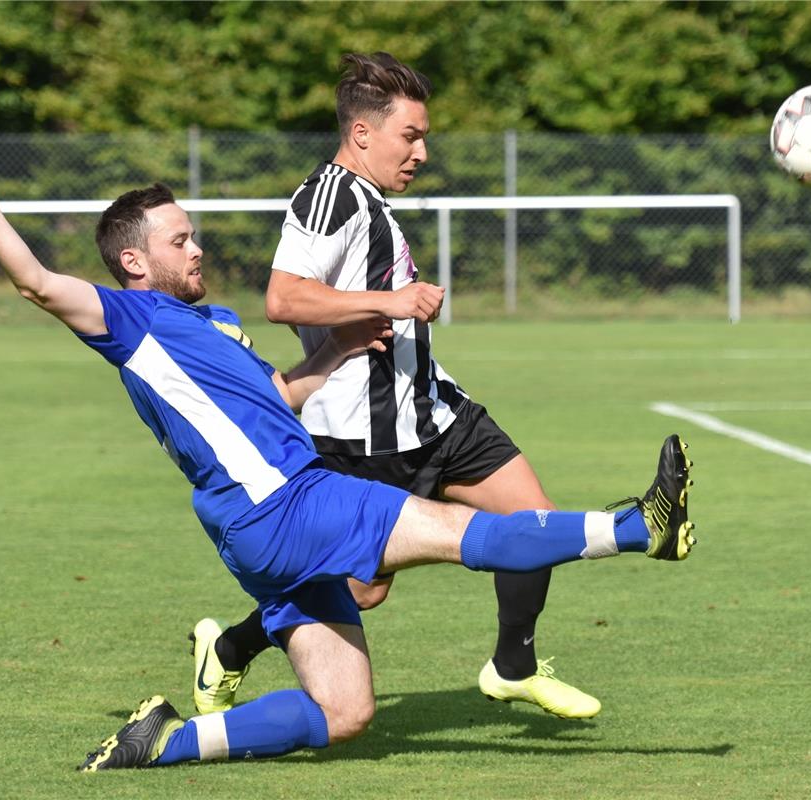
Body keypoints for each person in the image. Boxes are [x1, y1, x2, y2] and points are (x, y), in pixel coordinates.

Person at [0, 136, 696, 773]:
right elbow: (38, 284)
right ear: (135, 262)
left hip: (256, 533)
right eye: (179, 240)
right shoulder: (129, 318)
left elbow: (274, 396)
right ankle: (642, 527)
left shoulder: (212, 325)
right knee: (469, 534)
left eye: (192, 233)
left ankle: (164, 741)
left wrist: (334, 350)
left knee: (344, 713)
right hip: (290, 504)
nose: (197, 246)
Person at [193, 51, 601, 722]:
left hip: (434, 412)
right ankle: (232, 647)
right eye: (409, 136)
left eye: (423, 137)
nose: (421, 153)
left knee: (534, 521)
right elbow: (283, 298)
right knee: (357, 591)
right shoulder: (329, 195)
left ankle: (512, 665)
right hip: (361, 436)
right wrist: (390, 301)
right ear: (361, 134)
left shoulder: (370, 200)